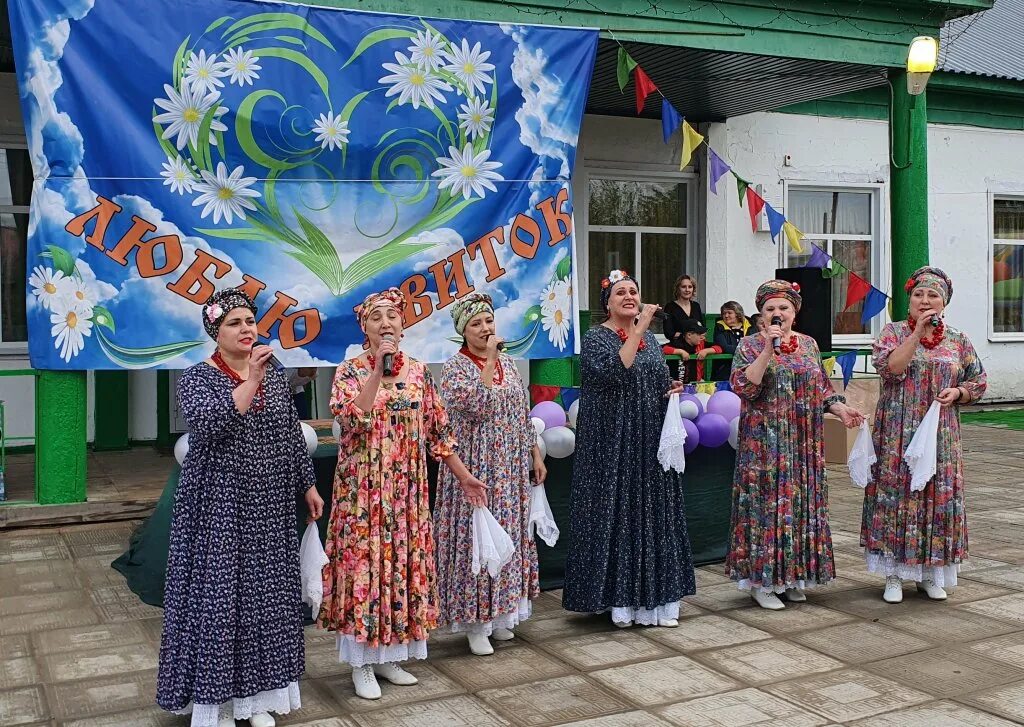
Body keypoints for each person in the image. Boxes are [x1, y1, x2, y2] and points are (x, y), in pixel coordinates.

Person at [157, 289, 324, 727]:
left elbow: (290, 429)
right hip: (219, 509)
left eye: (251, 321)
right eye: (236, 323)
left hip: (268, 506)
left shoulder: (274, 372)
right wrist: (249, 380)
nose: (248, 329)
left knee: (265, 600)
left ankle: (258, 698)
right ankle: (220, 703)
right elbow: (210, 426)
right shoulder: (197, 378)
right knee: (221, 599)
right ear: (216, 332)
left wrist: (306, 483)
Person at [319, 288, 486, 701]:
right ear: (365, 328)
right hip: (363, 493)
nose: (387, 323)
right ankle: (361, 663)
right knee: (366, 571)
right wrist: (377, 370)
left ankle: (391, 656)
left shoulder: (418, 371)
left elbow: (439, 433)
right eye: (377, 317)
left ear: (403, 325)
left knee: (400, 570)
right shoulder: (350, 371)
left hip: (407, 493)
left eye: (393, 315)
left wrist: (464, 477)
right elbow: (350, 422)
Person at [564, 270, 695, 627]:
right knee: (617, 512)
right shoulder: (596, 337)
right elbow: (615, 373)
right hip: (612, 443)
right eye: (620, 292)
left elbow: (650, 376)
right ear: (607, 302)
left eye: (634, 291)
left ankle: (655, 598)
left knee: (650, 513)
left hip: (647, 437)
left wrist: (668, 388)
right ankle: (617, 601)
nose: (629, 296)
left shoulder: (651, 341)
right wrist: (639, 329)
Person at [727, 280, 864, 610]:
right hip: (764, 446)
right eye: (770, 309)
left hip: (803, 444)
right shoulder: (749, 345)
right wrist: (766, 350)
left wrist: (841, 408)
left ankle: (793, 577)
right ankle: (762, 582)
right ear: (761, 315)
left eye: (783, 308)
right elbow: (744, 386)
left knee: (798, 508)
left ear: (794, 313)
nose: (777, 314)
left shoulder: (809, 345)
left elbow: (822, 390)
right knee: (766, 509)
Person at [861, 267, 986, 603]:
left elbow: (978, 380)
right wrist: (915, 334)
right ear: (910, 300)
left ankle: (931, 573)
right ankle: (893, 574)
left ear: (943, 302)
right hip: (897, 432)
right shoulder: (892, 333)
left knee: (936, 498)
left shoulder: (958, 339)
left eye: (933, 295)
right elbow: (892, 370)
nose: (925, 301)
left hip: (941, 434)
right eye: (919, 295)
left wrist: (959, 393)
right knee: (897, 496)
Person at [435, 293, 547, 656]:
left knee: (508, 537)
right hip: (475, 467)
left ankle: (500, 615)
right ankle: (475, 623)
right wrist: (490, 359)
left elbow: (521, 411)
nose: (485, 329)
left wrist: (535, 454)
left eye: (488, 321)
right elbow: (477, 405)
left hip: (510, 467)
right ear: (463, 331)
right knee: (477, 542)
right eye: (476, 324)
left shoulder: (509, 364)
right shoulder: (455, 368)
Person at [663, 275, 704, 380]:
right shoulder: (670, 307)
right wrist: (687, 335)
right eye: (683, 286)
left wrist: (682, 334)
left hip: (696, 350)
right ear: (678, 288)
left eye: (690, 287)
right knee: (678, 380)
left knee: (695, 380)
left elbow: (702, 328)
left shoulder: (696, 306)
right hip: (678, 351)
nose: (687, 290)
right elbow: (669, 332)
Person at [662, 319, 721, 383]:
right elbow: (662, 349)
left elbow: (719, 348)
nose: (702, 337)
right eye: (699, 334)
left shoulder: (702, 344)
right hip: (677, 385)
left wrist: (706, 351)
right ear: (689, 335)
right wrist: (680, 352)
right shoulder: (677, 343)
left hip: (696, 383)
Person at [711, 301, 750, 381]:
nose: (726, 316)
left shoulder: (750, 326)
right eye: (724, 313)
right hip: (724, 370)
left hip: (747, 369)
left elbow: (753, 345)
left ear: (737, 314)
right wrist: (745, 350)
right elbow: (724, 347)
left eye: (729, 313)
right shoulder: (720, 327)